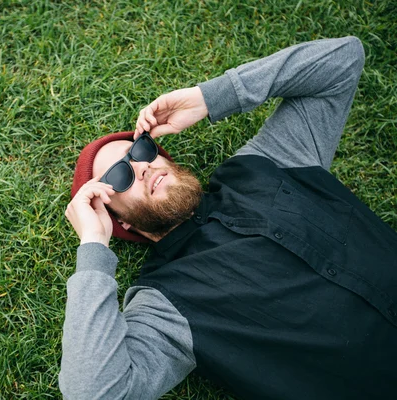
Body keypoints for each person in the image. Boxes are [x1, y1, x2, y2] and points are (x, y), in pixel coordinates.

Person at [59, 36, 397, 400]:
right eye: (118, 178)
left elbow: (342, 59)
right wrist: (93, 246)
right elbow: (92, 393)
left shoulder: (266, 162)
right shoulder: (165, 303)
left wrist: (210, 97)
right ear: (119, 221)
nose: (141, 167)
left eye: (140, 150)